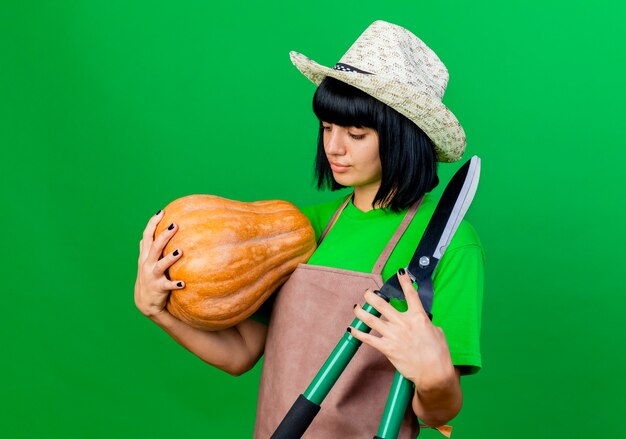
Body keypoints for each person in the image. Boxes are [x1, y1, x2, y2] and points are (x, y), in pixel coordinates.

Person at [134, 20, 483, 438]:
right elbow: (242, 352)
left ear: (402, 136)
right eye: (326, 128)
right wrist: (157, 310)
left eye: (356, 133)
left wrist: (434, 377)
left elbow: (435, 412)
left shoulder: (450, 244)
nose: (333, 147)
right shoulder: (300, 229)